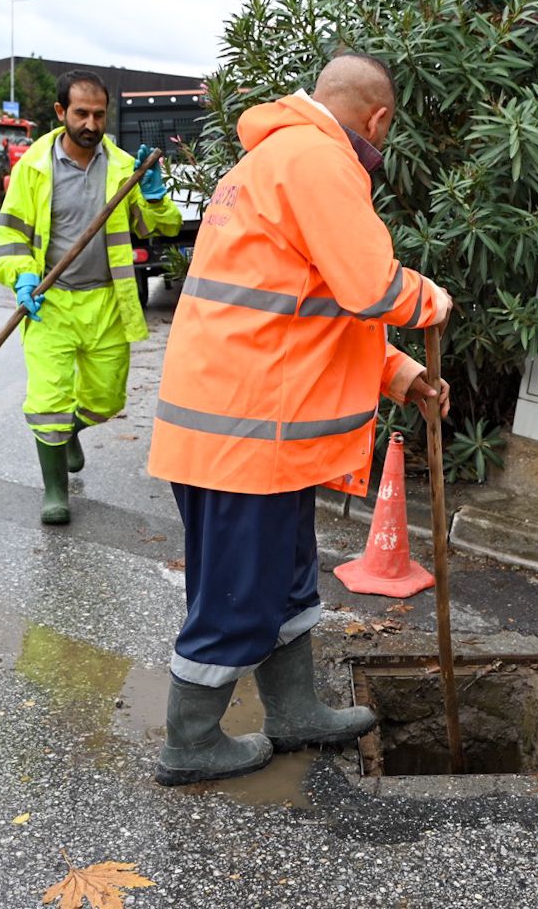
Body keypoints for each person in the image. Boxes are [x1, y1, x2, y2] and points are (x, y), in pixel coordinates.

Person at [146, 52, 453, 784]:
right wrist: (430, 303)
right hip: (245, 437)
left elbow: (309, 306)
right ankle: (189, 745)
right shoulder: (317, 162)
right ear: (379, 119)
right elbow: (370, 285)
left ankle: (293, 713)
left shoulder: (274, 161)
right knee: (235, 596)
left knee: (285, 583)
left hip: (253, 432)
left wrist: (399, 373)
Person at [0, 70, 182, 524]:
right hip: (50, 302)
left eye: (99, 114)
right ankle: (55, 492)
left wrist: (154, 197)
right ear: (61, 113)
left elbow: (166, 227)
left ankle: (69, 432)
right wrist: (21, 277)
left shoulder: (122, 168)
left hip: (105, 303)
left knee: (106, 400)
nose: (91, 124)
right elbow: (11, 236)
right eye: (81, 113)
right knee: (47, 404)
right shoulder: (33, 168)